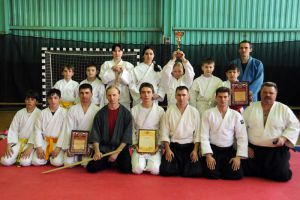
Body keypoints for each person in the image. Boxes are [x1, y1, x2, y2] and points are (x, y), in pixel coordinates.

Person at [242, 82, 300, 181]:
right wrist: (245, 147)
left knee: (282, 175)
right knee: (237, 171)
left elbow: (294, 125)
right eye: (265, 92)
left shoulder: (283, 109)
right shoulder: (250, 108)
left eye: (271, 93)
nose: (267, 95)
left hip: (275, 151)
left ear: (276, 94)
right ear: (260, 93)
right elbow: (241, 129)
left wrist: (284, 138)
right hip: (253, 151)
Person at [201, 87, 248, 180]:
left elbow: (242, 137)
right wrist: (208, 155)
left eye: (225, 97)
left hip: (228, 151)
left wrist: (238, 157)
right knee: (211, 174)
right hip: (213, 150)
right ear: (216, 98)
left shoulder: (236, 115)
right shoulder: (208, 113)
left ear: (229, 98)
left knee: (236, 174)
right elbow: (204, 136)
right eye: (220, 97)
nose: (222, 99)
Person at [86, 85, 132, 173]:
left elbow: (127, 137)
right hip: (104, 148)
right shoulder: (100, 113)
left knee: (126, 169)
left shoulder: (126, 114)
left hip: (120, 148)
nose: (112, 98)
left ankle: (112, 161)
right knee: (91, 168)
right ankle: (109, 163)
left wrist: (116, 153)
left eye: (114, 95)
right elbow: (95, 134)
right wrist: (97, 151)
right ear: (106, 96)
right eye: (109, 95)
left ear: (119, 95)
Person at [159, 86, 202, 177]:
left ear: (188, 96)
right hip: (174, 146)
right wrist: (167, 149)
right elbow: (164, 132)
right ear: (175, 96)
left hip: (189, 146)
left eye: (184, 95)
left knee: (195, 172)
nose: (181, 98)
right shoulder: (169, 111)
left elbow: (198, 133)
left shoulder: (194, 111)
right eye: (179, 95)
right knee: (166, 171)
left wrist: (195, 150)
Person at [54, 83, 100, 166]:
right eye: (81, 93)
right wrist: (68, 147)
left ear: (91, 94)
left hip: (89, 144)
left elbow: (98, 132)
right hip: (74, 143)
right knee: (68, 163)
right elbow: (68, 128)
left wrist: (91, 148)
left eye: (87, 93)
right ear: (78, 94)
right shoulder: (73, 109)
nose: (84, 95)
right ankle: (75, 156)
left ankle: (82, 156)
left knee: (85, 164)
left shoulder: (97, 110)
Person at [131, 82, 165, 175]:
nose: (146, 95)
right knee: (137, 170)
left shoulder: (160, 110)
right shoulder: (134, 110)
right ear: (140, 94)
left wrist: (158, 146)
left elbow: (163, 130)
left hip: (154, 146)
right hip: (139, 146)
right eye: (143, 92)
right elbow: (132, 129)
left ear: (153, 94)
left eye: (149, 92)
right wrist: (135, 145)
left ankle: (153, 160)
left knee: (155, 171)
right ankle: (141, 162)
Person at [1, 90, 41, 166]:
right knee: (4, 161)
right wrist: (9, 144)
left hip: (31, 143)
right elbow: (13, 129)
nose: (29, 101)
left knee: (24, 162)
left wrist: (31, 147)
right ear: (25, 100)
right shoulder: (19, 113)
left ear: (36, 102)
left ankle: (20, 157)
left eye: (32, 99)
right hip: (19, 141)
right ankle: (15, 157)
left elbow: (38, 132)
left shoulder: (39, 113)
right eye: (27, 99)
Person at [31, 89, 67, 166]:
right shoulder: (42, 113)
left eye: (55, 98)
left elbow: (64, 132)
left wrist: (58, 148)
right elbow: (37, 130)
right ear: (47, 99)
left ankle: (50, 158)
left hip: (58, 143)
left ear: (60, 99)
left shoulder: (65, 113)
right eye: (50, 98)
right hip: (45, 142)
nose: (53, 100)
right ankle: (48, 157)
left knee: (57, 163)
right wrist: (39, 147)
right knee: (35, 161)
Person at [100, 44, 134, 110]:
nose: (117, 53)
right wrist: (111, 70)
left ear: (122, 52)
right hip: (110, 95)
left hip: (123, 95)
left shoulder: (128, 65)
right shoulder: (106, 64)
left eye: (119, 51)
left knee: (124, 116)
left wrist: (123, 71)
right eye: (115, 51)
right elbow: (103, 80)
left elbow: (129, 81)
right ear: (112, 52)